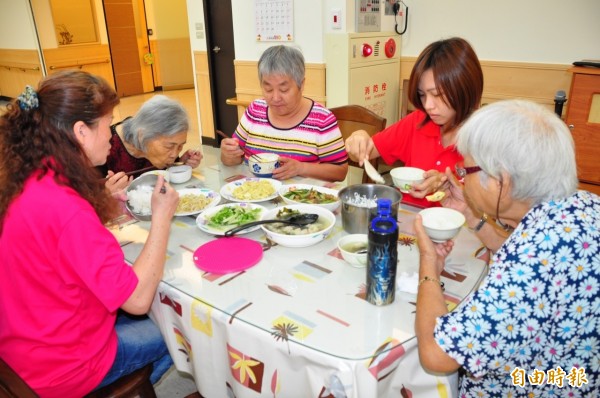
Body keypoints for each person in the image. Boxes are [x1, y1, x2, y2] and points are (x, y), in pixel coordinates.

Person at [0, 71, 180, 397]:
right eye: (107, 125)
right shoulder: (67, 208)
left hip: (22, 347)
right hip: (65, 367)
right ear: (80, 131)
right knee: (183, 333)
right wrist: (162, 218)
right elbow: (137, 300)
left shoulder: (29, 178)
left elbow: (59, 241)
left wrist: (100, 206)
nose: (112, 138)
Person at [414, 100, 600, 396]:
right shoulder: (583, 205)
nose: (461, 176)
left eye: (466, 169)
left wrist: (428, 264)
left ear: (501, 181)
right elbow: (535, 271)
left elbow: (438, 355)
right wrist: (474, 216)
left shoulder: (533, 258)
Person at [344, 37, 483, 207]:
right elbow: (364, 152)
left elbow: (492, 213)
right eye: (422, 94)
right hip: (409, 224)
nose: (428, 105)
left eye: (437, 94)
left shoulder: (485, 138)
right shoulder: (418, 122)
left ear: (464, 87)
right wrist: (359, 139)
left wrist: (448, 185)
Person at [220, 45, 348, 182]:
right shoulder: (255, 111)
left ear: (302, 84)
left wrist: (301, 168)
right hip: (253, 195)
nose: (275, 98)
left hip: (300, 199)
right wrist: (228, 155)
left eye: (284, 89)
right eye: (268, 89)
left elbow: (340, 172)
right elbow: (235, 158)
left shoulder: (322, 119)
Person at [99, 94, 203, 193]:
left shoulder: (159, 140)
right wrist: (106, 195)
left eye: (180, 146)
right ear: (142, 135)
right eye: (169, 146)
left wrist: (180, 164)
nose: (174, 154)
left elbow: (164, 171)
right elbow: (86, 201)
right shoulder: (104, 147)